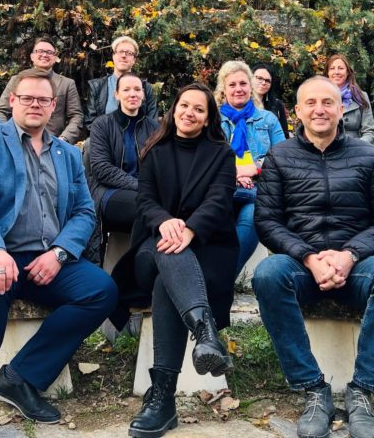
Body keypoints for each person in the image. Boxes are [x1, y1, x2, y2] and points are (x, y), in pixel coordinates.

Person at [0, 69, 117, 438]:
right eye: (28, 98)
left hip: (45, 259)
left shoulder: (66, 153)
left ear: (53, 107)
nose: (36, 105)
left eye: (43, 100)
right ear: (13, 101)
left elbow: (84, 211)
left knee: (101, 290)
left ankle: (20, 377)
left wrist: (60, 253)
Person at [254, 76, 374, 438]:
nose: (319, 109)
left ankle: (362, 391)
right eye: (311, 103)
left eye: (328, 102)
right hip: (301, 267)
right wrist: (309, 257)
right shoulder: (280, 155)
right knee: (267, 274)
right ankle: (313, 388)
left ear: (342, 110)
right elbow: (267, 222)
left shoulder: (367, 155)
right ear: (297, 111)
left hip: (356, 266)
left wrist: (349, 255)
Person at [109, 83, 238, 438]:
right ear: (173, 109)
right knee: (168, 253)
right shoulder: (155, 150)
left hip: (207, 249)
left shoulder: (221, 154)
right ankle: (205, 332)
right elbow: (145, 200)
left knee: (170, 278)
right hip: (152, 246)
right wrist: (166, 223)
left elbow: (219, 201)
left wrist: (191, 230)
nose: (189, 113)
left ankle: (163, 399)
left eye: (199, 109)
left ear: (209, 118)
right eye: (184, 105)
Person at [216, 61, 286, 276]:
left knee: (254, 214)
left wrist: (254, 169)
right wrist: (233, 174)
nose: (238, 89)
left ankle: (224, 276)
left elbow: (283, 158)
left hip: (257, 190)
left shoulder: (268, 119)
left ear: (251, 87)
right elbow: (204, 156)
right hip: (221, 186)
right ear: (224, 89)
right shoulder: (212, 119)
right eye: (232, 84)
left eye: (243, 83)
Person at [87, 72, 161, 241]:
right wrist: (142, 186)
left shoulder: (155, 128)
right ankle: (132, 266)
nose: (132, 94)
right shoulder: (102, 124)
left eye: (137, 89)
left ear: (143, 94)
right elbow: (101, 169)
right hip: (108, 191)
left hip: (146, 191)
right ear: (117, 94)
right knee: (146, 208)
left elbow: (162, 166)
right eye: (126, 90)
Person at [84, 35, 159, 129]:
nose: (124, 55)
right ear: (113, 56)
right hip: (105, 140)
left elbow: (152, 123)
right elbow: (90, 122)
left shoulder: (145, 88)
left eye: (129, 53)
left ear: (134, 60)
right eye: (120, 52)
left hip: (138, 140)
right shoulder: (97, 87)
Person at [325, 53, 374, 144]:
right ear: (327, 73)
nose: (336, 72)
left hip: (355, 150)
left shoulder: (361, 96)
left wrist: (355, 148)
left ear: (348, 72)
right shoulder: (319, 97)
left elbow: (369, 132)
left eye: (341, 68)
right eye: (332, 68)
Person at [252, 62, 290, 138]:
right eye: (259, 78)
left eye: (267, 81)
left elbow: (284, 133)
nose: (263, 83)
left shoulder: (277, 105)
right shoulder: (240, 102)